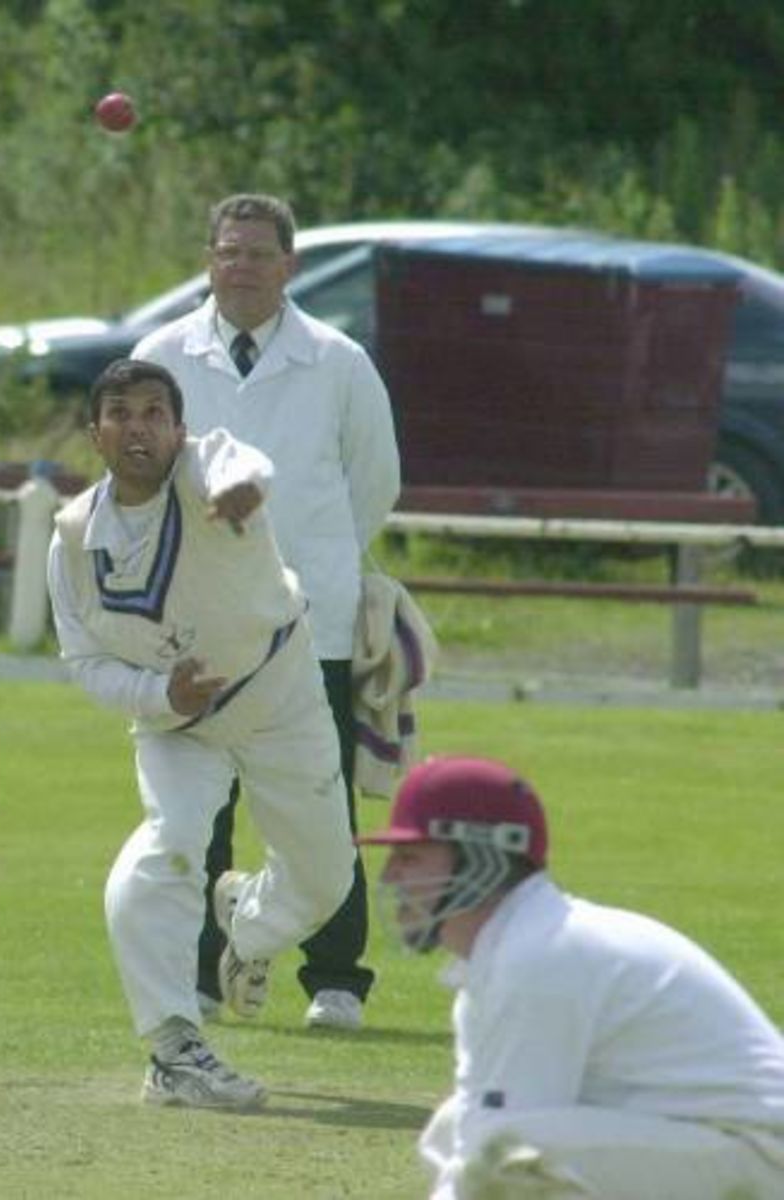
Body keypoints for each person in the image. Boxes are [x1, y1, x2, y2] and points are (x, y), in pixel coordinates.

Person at [47, 357, 356, 1109]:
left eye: (155, 412)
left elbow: (242, 462)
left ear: (177, 427)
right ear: (97, 434)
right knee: (171, 844)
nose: (138, 427)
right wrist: (161, 693)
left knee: (327, 880)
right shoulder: (72, 540)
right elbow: (85, 662)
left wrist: (243, 490)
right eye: (120, 414)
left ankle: (247, 928)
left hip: (280, 691)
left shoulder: (211, 466)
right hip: (178, 724)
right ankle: (173, 1047)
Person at [133, 192, 401, 1032]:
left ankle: (335, 978)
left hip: (306, 621)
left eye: (259, 253)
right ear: (208, 260)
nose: (242, 267)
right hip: (197, 621)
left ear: (290, 265)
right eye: (228, 252)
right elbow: (135, 473)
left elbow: (374, 483)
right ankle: (203, 975)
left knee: (321, 801)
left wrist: (307, 563)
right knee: (198, 807)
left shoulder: (338, 360)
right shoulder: (162, 355)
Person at [359, 754, 784, 1200]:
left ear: (481, 856)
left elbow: (499, 1151)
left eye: (410, 856)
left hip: (762, 1150)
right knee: (455, 1129)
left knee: (506, 1153)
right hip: (722, 1144)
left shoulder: (539, 955)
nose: (390, 875)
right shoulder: (513, 954)